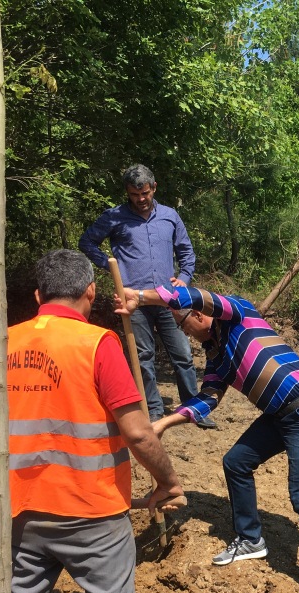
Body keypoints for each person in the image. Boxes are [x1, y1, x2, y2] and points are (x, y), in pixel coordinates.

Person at [0, 249, 199, 593]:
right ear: (90, 293)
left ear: (37, 296)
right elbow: (139, 433)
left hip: (20, 509)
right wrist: (168, 481)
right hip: (91, 509)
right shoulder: (98, 345)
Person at [117, 283, 299, 593]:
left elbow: (196, 296)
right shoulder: (216, 356)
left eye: (184, 326)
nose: (187, 335)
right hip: (279, 415)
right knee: (236, 462)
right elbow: (208, 398)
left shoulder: (239, 314)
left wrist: (142, 297)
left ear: (198, 316)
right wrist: (164, 423)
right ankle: (251, 538)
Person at [79, 163, 215, 427]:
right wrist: (110, 265)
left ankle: (193, 409)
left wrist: (184, 278)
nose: (141, 199)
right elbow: (87, 242)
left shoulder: (170, 215)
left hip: (168, 298)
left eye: (145, 193)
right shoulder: (113, 217)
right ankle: (153, 409)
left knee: (183, 354)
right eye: (134, 195)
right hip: (132, 299)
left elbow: (187, 252)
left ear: (154, 188)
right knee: (143, 355)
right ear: (127, 193)